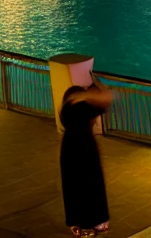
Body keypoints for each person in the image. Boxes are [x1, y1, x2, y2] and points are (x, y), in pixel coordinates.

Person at [60, 81, 116, 236]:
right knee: (90, 186)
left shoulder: (68, 108)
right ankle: (90, 224)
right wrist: (90, 94)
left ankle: (76, 222)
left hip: (70, 149)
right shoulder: (81, 109)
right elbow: (107, 98)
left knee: (72, 186)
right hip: (84, 149)